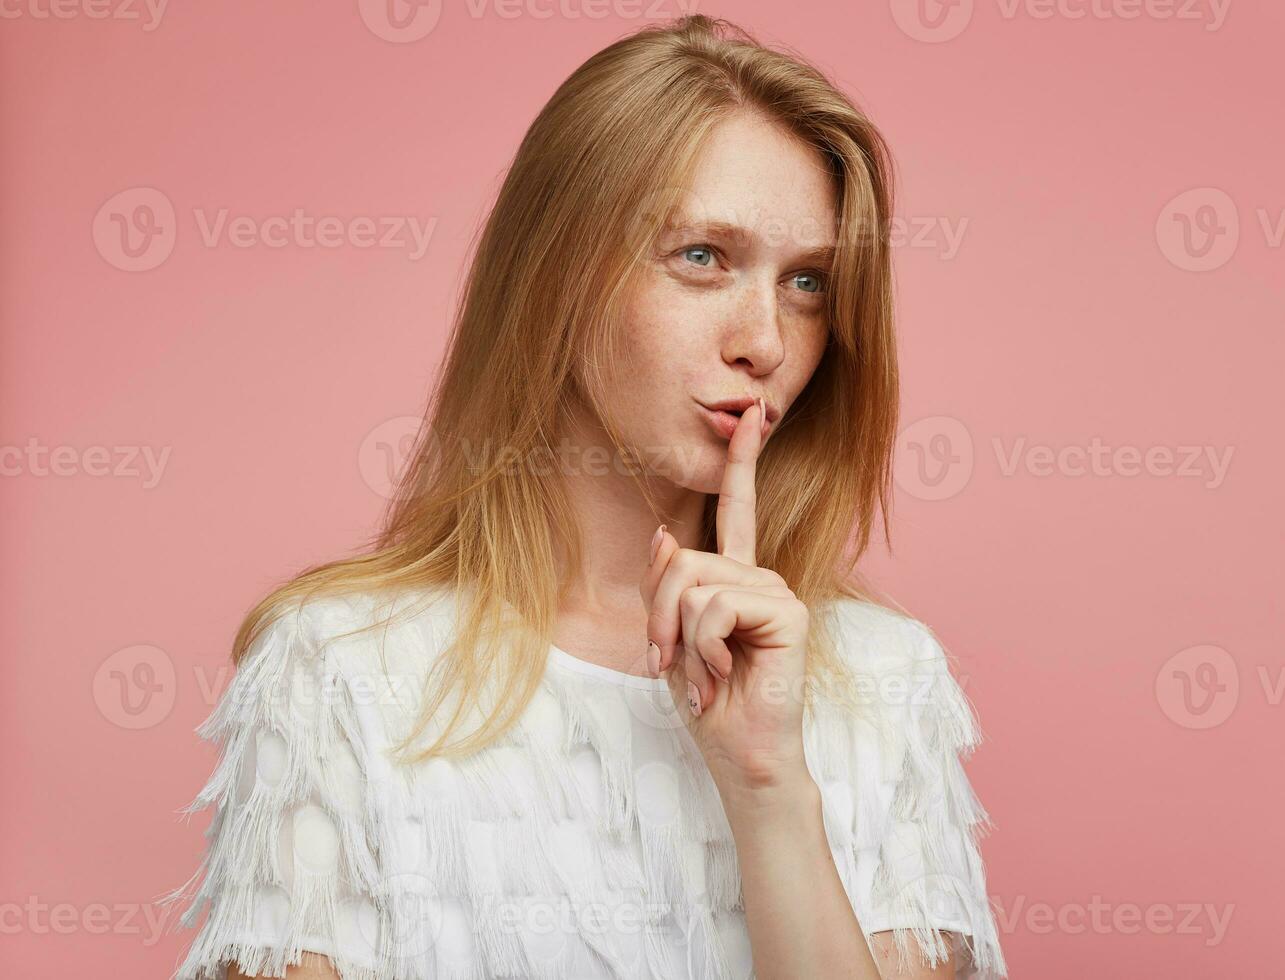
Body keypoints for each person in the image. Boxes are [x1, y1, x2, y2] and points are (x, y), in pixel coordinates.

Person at [166, 14, 1006, 980]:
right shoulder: (342, 668)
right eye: (702, 256)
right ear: (556, 275)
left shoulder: (884, 679)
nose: (766, 342)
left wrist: (769, 788)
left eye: (808, 281)